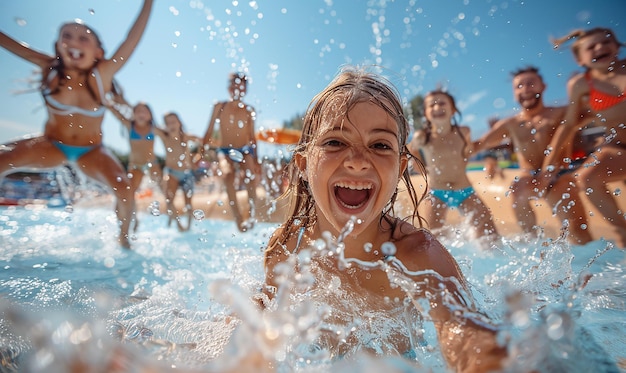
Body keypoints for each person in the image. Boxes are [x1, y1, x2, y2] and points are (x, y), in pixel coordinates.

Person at [262, 67, 507, 371]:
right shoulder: (287, 247)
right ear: (303, 162)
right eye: (335, 142)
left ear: (401, 166)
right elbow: (256, 323)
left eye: (380, 145)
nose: (357, 161)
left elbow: (465, 333)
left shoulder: (420, 256)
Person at [0, 0, 153, 248]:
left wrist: (148, 3)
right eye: (67, 36)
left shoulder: (102, 75)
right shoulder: (50, 69)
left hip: (91, 151)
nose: (74, 42)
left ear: (98, 53)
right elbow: (9, 43)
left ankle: (124, 238)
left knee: (124, 190)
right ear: (59, 46)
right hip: (52, 146)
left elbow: (131, 40)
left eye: (84, 39)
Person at [474, 66, 593, 245]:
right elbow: (478, 145)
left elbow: (601, 111)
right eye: (519, 86)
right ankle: (532, 245)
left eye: (530, 83)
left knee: (579, 234)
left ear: (543, 87)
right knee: (517, 190)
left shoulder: (561, 112)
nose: (525, 89)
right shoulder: (511, 124)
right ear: (514, 94)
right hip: (528, 178)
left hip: (559, 175)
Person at [536, 28, 626, 246]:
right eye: (591, 47)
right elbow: (568, 126)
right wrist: (548, 168)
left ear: (617, 46)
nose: (600, 48)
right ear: (579, 58)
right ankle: (622, 231)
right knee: (586, 178)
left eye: (606, 42)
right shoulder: (581, 85)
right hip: (619, 147)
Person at [409, 90, 500, 242]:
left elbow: (468, 153)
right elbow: (411, 152)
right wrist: (423, 170)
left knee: (490, 235)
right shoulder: (422, 136)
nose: (437, 107)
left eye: (442, 103)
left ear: (453, 110)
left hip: (465, 190)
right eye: (432, 105)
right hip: (436, 193)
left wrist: (490, 159)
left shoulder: (463, 132)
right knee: (433, 240)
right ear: (426, 113)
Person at [202, 72, 260, 232]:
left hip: (244, 150)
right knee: (228, 176)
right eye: (234, 84)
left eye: (241, 85)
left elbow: (252, 137)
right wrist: (200, 153)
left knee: (250, 176)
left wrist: (257, 160)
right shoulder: (219, 106)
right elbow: (208, 131)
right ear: (229, 88)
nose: (237, 88)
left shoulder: (249, 110)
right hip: (225, 150)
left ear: (245, 89)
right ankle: (238, 218)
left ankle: (251, 213)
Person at [108, 96, 163, 228]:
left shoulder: (154, 128)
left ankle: (173, 216)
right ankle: (134, 217)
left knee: (164, 188)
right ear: (133, 114)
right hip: (136, 166)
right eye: (138, 111)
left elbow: (173, 138)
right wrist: (108, 103)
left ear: (150, 115)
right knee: (129, 194)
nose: (141, 114)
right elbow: (116, 113)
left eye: (144, 111)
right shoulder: (129, 126)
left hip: (152, 164)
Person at [158, 112, 202, 232]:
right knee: (169, 200)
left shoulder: (186, 137)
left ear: (179, 123)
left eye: (174, 122)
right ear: (165, 125)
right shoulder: (165, 137)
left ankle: (188, 226)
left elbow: (203, 141)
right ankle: (178, 224)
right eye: (168, 123)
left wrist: (197, 159)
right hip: (172, 172)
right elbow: (151, 127)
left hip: (187, 173)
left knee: (188, 203)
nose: (171, 125)